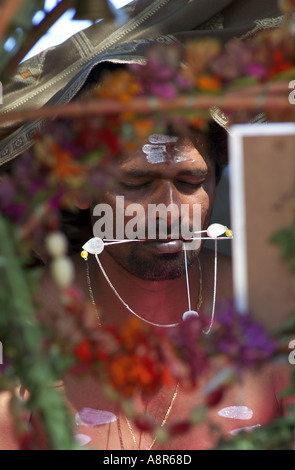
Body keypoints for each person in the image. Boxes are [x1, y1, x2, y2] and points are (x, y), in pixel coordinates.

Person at [0, 0, 292, 452]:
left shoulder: (272, 316)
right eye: (137, 182)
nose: (168, 209)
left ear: (217, 182)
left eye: (191, 182)